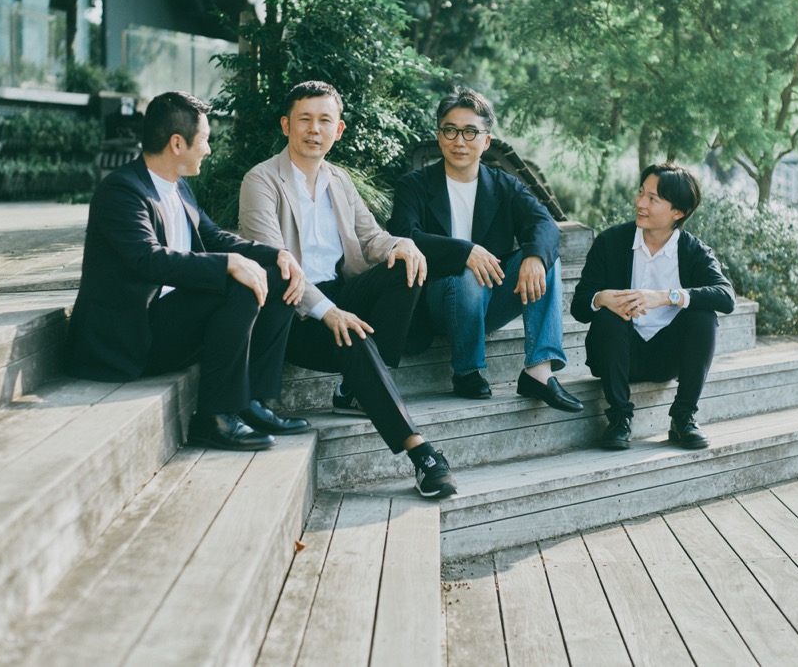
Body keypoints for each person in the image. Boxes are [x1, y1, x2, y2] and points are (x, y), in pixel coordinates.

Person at [238, 81, 458, 498]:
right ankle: (421, 453)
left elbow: (371, 238)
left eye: (325, 120)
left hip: (342, 294)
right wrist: (329, 311)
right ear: (286, 125)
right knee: (353, 336)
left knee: (407, 265)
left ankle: (357, 388)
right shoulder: (261, 180)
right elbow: (274, 262)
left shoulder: (338, 179)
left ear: (338, 130)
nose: (314, 129)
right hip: (293, 313)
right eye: (304, 119)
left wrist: (400, 245)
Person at [66, 91, 310, 452]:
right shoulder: (121, 190)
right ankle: (213, 417)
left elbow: (212, 236)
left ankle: (250, 401)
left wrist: (277, 255)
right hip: (131, 336)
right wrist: (227, 264)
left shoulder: (177, 185)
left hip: (169, 320)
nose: (208, 149)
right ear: (177, 143)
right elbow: (147, 259)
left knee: (278, 276)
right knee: (239, 285)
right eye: (205, 140)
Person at [388, 88, 583, 413]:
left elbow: (543, 224)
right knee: (467, 272)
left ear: (487, 140)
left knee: (545, 259)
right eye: (450, 130)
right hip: (436, 303)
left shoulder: (504, 185)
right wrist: (465, 252)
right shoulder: (414, 185)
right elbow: (405, 237)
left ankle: (539, 370)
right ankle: (467, 372)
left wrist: (534, 258)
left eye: (470, 132)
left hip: (490, 302)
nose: (459, 141)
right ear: (439, 136)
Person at [570, 163, 735, 450]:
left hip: (667, 359)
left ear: (678, 212)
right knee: (609, 316)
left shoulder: (694, 251)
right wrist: (601, 298)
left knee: (703, 317)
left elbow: (726, 297)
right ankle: (619, 419)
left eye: (652, 198)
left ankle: (683, 418)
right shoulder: (611, 242)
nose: (640, 203)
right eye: (640, 193)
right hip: (616, 355)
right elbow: (579, 307)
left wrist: (667, 296)